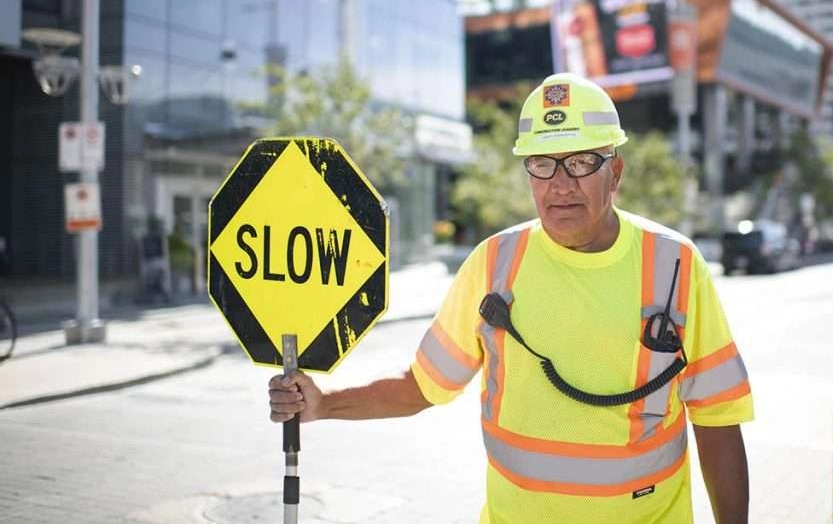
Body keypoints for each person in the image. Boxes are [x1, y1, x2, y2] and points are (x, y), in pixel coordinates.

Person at [268, 73, 753, 523]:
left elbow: (717, 418)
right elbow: (424, 386)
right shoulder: (494, 263)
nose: (560, 184)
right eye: (542, 165)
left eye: (582, 161)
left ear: (616, 171)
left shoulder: (675, 265)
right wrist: (324, 404)